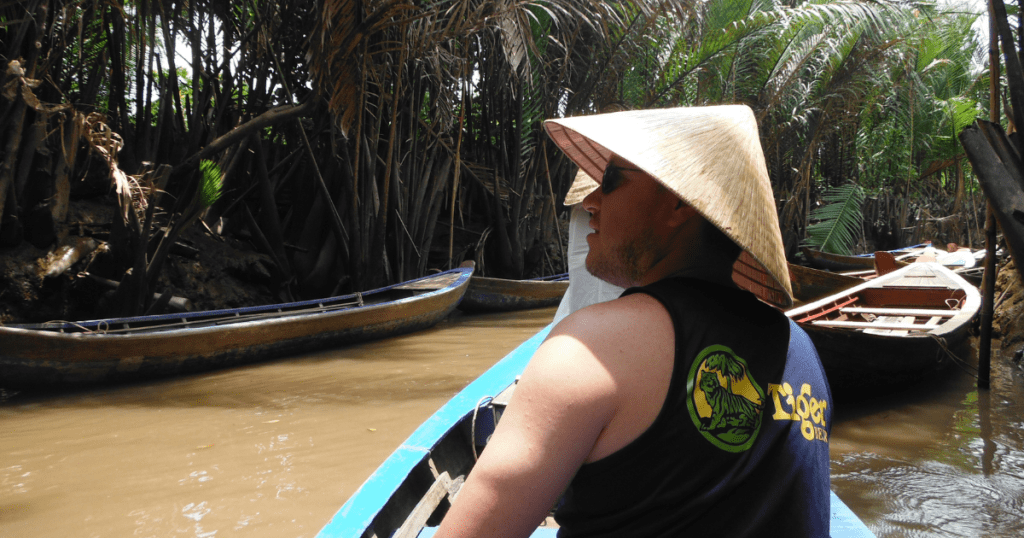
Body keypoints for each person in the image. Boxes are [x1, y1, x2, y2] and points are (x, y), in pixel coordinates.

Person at [435, 105, 832, 537]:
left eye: (610, 180)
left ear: (678, 201)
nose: (591, 202)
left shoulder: (592, 347)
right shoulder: (801, 352)